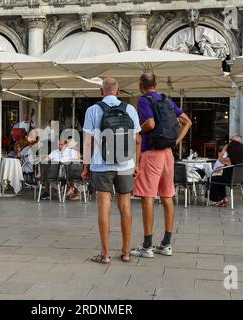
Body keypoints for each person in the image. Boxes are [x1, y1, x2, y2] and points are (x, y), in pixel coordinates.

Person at [131, 72, 192, 258]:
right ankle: (166, 244)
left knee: (147, 196)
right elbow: (187, 122)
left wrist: (137, 130)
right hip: (168, 154)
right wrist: (176, 141)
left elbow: (149, 123)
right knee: (167, 195)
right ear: (156, 84)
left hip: (151, 153)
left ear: (141, 86)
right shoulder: (167, 101)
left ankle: (147, 245)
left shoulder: (143, 101)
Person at [81, 78, 141, 264]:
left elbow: (88, 141)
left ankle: (105, 254)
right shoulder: (130, 109)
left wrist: (86, 167)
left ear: (101, 92)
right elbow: (137, 140)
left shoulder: (92, 110)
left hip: (101, 165)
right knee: (125, 207)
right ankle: (126, 252)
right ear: (119, 91)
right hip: (125, 165)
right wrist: (136, 164)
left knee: (103, 208)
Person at [208, 140, 243, 206]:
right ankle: (224, 198)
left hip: (229, 179)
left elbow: (219, 159)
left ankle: (218, 199)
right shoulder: (242, 160)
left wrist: (223, 150)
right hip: (237, 179)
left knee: (211, 178)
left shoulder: (229, 159)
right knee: (218, 179)